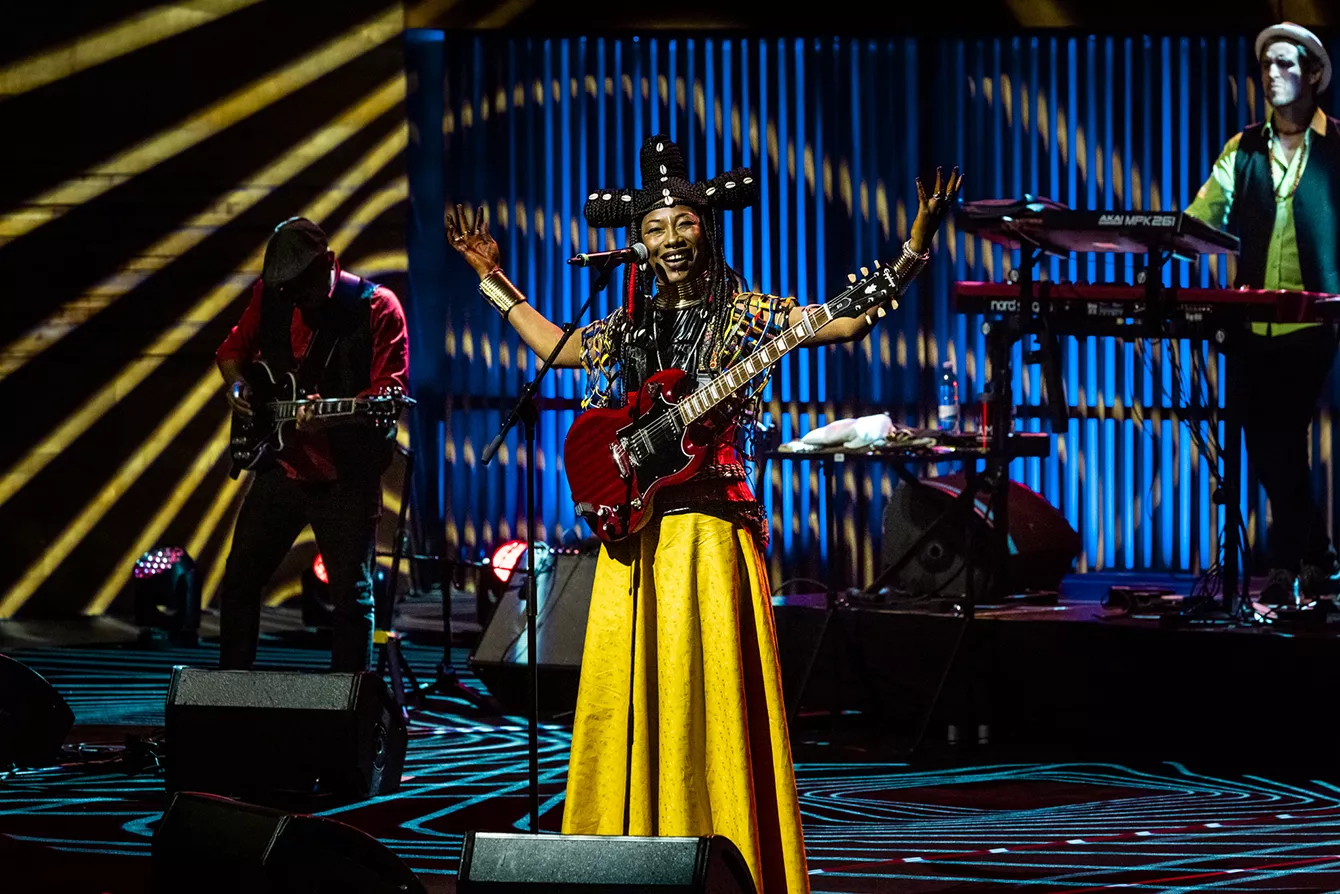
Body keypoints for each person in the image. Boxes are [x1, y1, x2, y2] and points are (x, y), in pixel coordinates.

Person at [447, 133, 960, 893]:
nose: (671, 237)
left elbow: (848, 323)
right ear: (640, 244)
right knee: (630, 696)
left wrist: (915, 245)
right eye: (655, 228)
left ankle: (720, 850)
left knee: (710, 692)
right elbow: (556, 346)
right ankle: (624, 855)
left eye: (683, 223)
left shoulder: (749, 315)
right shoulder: (628, 326)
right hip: (633, 535)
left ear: (706, 229)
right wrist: (492, 277)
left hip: (711, 528)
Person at [1187, 21, 1338, 605]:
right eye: (1265, 65)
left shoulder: (1338, 147)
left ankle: (1285, 563)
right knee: (1266, 445)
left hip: (1313, 323)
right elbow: (1204, 216)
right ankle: (1319, 556)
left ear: (1314, 75)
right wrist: (1164, 237)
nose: (1271, 75)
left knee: (1281, 438)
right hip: (1249, 324)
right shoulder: (1243, 147)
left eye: (1285, 64)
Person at [215, 217, 410, 671]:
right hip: (283, 468)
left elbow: (389, 391)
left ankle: (349, 704)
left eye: (301, 288)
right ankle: (228, 693)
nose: (294, 299)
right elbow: (231, 352)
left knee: (351, 599)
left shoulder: (377, 307)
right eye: (285, 290)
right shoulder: (272, 295)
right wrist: (239, 387)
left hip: (345, 475)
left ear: (327, 264)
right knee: (240, 582)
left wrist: (333, 414)